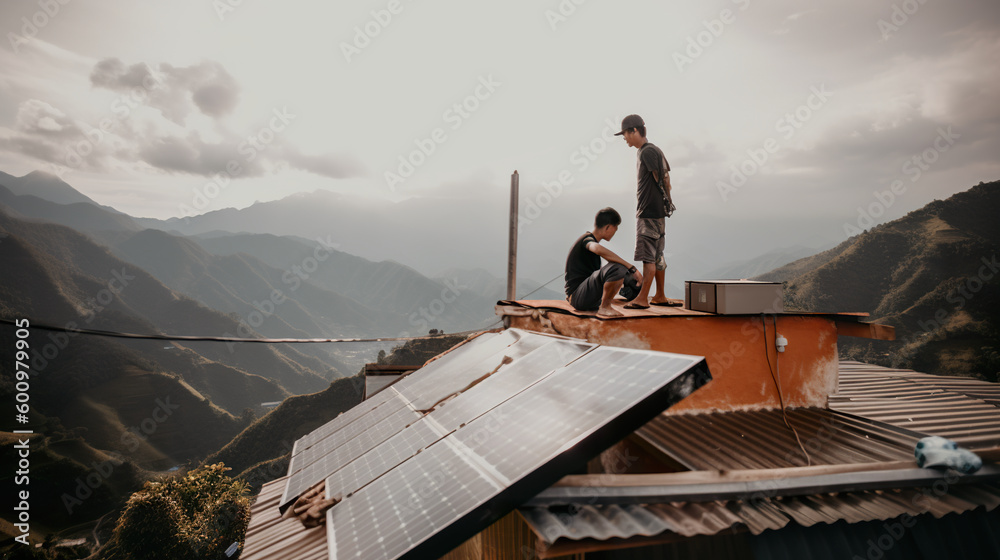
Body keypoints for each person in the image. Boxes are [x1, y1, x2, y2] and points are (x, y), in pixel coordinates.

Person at [614, 114, 674, 309]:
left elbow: (661, 178)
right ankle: (660, 296)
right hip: (658, 213)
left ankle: (642, 299)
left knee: (648, 256)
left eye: (625, 134)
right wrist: (667, 202)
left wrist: (661, 201)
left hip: (648, 211)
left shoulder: (646, 152)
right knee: (658, 255)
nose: (624, 138)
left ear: (635, 131)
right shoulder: (656, 150)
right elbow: (666, 180)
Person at [565, 207, 643, 318]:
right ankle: (605, 307)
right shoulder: (586, 239)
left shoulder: (590, 239)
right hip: (577, 297)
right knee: (618, 268)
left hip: (586, 294)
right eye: (615, 228)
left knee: (628, 276)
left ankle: (626, 297)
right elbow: (596, 248)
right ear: (608, 227)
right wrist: (631, 267)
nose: (615, 232)